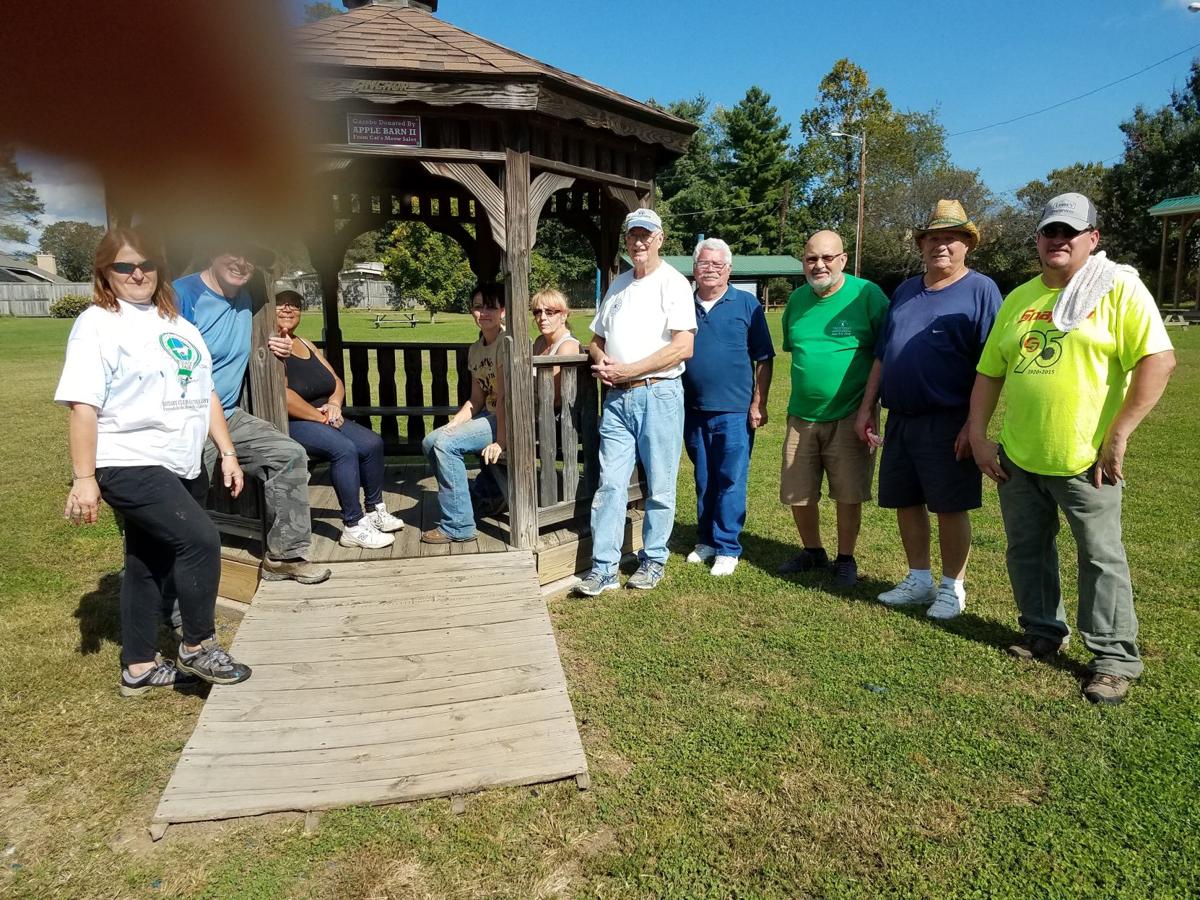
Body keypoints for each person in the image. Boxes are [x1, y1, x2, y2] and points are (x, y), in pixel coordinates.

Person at [968, 193, 1175, 705]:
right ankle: (1042, 631)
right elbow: (989, 372)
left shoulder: (1119, 289)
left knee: (1101, 558)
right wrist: (977, 435)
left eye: (1070, 232)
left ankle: (1112, 659)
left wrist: (1119, 434)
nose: (1058, 240)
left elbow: (1158, 361)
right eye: (1049, 232)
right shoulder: (1019, 299)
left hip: (1087, 462)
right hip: (1019, 456)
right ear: (1037, 239)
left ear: (1092, 239)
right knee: (1026, 550)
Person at [56, 227, 252, 696]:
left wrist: (227, 452)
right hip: (128, 459)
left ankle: (139, 668)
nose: (138, 273)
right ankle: (197, 645)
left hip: (181, 462)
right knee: (202, 540)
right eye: (124, 266)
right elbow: (83, 404)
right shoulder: (98, 322)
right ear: (106, 272)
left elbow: (204, 393)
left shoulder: (179, 326)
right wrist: (85, 478)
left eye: (146, 264)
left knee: (147, 561)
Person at [855, 200, 1001, 620]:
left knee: (950, 505)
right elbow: (883, 355)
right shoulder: (905, 290)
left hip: (949, 418)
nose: (941, 246)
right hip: (901, 418)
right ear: (921, 245)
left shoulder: (981, 290)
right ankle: (918, 578)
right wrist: (868, 407)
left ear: (967, 245)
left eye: (951, 238)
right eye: (933, 238)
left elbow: (991, 366)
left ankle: (952, 587)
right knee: (906, 500)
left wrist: (975, 425)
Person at [175, 247, 331, 584]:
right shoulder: (181, 295)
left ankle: (284, 557)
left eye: (249, 256)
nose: (241, 262)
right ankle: (171, 577)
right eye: (231, 251)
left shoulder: (248, 299)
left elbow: (264, 336)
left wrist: (282, 345)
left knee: (289, 455)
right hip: (184, 418)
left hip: (229, 415)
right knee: (183, 490)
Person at [575, 208, 696, 596]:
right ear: (626, 240)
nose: (639, 242)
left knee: (660, 484)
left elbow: (683, 347)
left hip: (657, 395)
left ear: (660, 238)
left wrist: (630, 371)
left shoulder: (673, 283)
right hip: (616, 399)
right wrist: (603, 361)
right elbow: (596, 338)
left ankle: (654, 559)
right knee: (609, 485)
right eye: (632, 235)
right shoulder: (618, 285)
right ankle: (604, 568)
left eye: (646, 235)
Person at [777, 230, 888, 588]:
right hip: (802, 415)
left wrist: (869, 407)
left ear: (843, 259)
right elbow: (800, 351)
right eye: (811, 259)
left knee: (848, 492)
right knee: (798, 490)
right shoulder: (796, 301)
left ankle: (845, 558)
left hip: (851, 415)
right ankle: (812, 550)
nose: (819, 265)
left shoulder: (867, 295)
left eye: (827, 258)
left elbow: (885, 354)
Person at [274, 290, 405, 550]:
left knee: (371, 443)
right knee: (344, 450)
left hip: (324, 415)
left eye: (296, 305)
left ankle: (373, 510)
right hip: (294, 421)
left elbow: (335, 380)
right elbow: (284, 396)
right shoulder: (273, 347)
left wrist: (334, 404)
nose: (289, 309)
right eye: (282, 304)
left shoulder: (306, 343)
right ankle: (353, 526)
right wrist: (320, 417)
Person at [681, 238, 774, 577]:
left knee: (731, 477)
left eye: (718, 265)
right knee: (703, 477)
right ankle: (705, 539)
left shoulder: (746, 304)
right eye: (704, 264)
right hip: (692, 409)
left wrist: (758, 402)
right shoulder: (681, 305)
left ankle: (728, 546)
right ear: (694, 268)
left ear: (729, 270)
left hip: (735, 411)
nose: (711, 270)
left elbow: (764, 359)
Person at [420, 283, 508, 544]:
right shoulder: (475, 349)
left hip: (512, 418)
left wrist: (501, 442)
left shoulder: (507, 344)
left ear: (503, 311)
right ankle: (474, 500)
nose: (484, 312)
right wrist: (454, 423)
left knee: (446, 445)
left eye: (491, 306)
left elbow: (505, 398)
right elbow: (476, 398)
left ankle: (458, 525)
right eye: (478, 306)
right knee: (431, 441)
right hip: (489, 415)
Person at [530, 287, 582, 405]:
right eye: (538, 312)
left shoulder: (567, 346)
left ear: (563, 316)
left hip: (557, 419)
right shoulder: (540, 342)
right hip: (533, 410)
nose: (542, 318)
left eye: (550, 312)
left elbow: (554, 397)